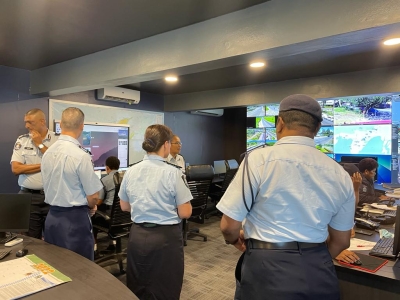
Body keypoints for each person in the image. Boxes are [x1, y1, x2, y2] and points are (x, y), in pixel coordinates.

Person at [217, 94, 355, 300]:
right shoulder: (340, 173)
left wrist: (233, 241)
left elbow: (228, 227)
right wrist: (315, 260)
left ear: (279, 123)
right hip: (319, 270)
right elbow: (342, 241)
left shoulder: (258, 159)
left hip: (265, 268)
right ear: (317, 129)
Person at [119, 124, 193, 299]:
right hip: (165, 239)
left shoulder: (130, 171)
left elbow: (124, 206)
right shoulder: (173, 173)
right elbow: (185, 212)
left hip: (137, 236)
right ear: (166, 144)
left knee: (138, 286)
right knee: (165, 287)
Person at [41, 107, 103, 261]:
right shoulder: (81, 156)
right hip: (74, 221)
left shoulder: (47, 153)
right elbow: (93, 196)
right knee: (80, 269)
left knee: (55, 266)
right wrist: (92, 206)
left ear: (61, 124)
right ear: (82, 126)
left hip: (51, 219)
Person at [11, 108, 58, 239]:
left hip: (53, 196)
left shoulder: (57, 140)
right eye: (26, 122)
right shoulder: (22, 140)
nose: (26, 126)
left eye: (30, 122)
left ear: (42, 121)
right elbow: (16, 169)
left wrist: (40, 144)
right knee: (30, 241)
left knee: (54, 240)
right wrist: (46, 165)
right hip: (28, 197)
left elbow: (58, 164)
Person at [93, 156, 120, 253]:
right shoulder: (124, 178)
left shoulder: (104, 180)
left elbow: (99, 201)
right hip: (123, 217)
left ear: (107, 167)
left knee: (92, 218)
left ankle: (94, 249)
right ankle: (113, 244)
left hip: (110, 216)